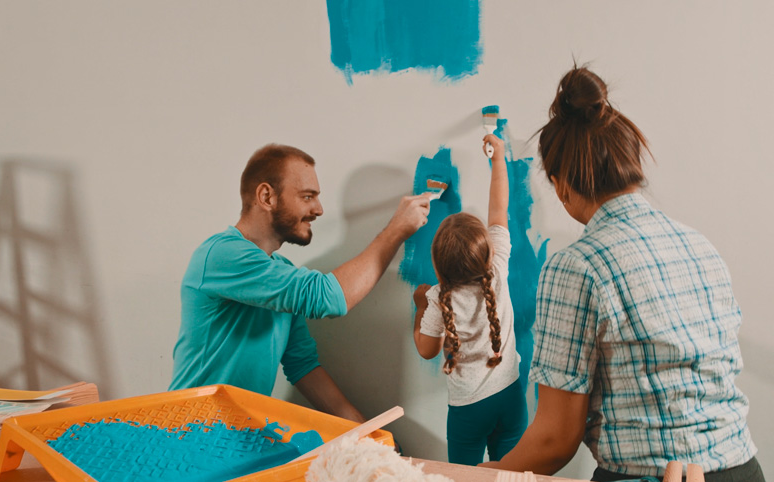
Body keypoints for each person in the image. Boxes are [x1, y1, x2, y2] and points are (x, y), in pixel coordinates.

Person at [480, 66, 764, 481]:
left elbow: (556, 438)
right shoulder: (700, 246)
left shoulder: (576, 266)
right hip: (743, 468)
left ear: (560, 187)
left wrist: (492, 473)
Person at [169, 143, 431, 423]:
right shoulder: (221, 255)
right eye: (307, 196)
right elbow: (328, 297)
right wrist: (396, 231)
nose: (318, 209)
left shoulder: (281, 272)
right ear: (267, 196)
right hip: (189, 432)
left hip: (239, 434)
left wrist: (364, 431)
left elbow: (302, 365)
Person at [412, 135, 527, 466]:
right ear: (488, 252)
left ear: (438, 267)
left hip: (468, 408)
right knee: (510, 473)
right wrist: (498, 157)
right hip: (510, 396)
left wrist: (420, 306)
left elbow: (426, 349)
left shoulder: (437, 298)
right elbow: (498, 208)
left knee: (463, 476)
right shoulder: (499, 270)